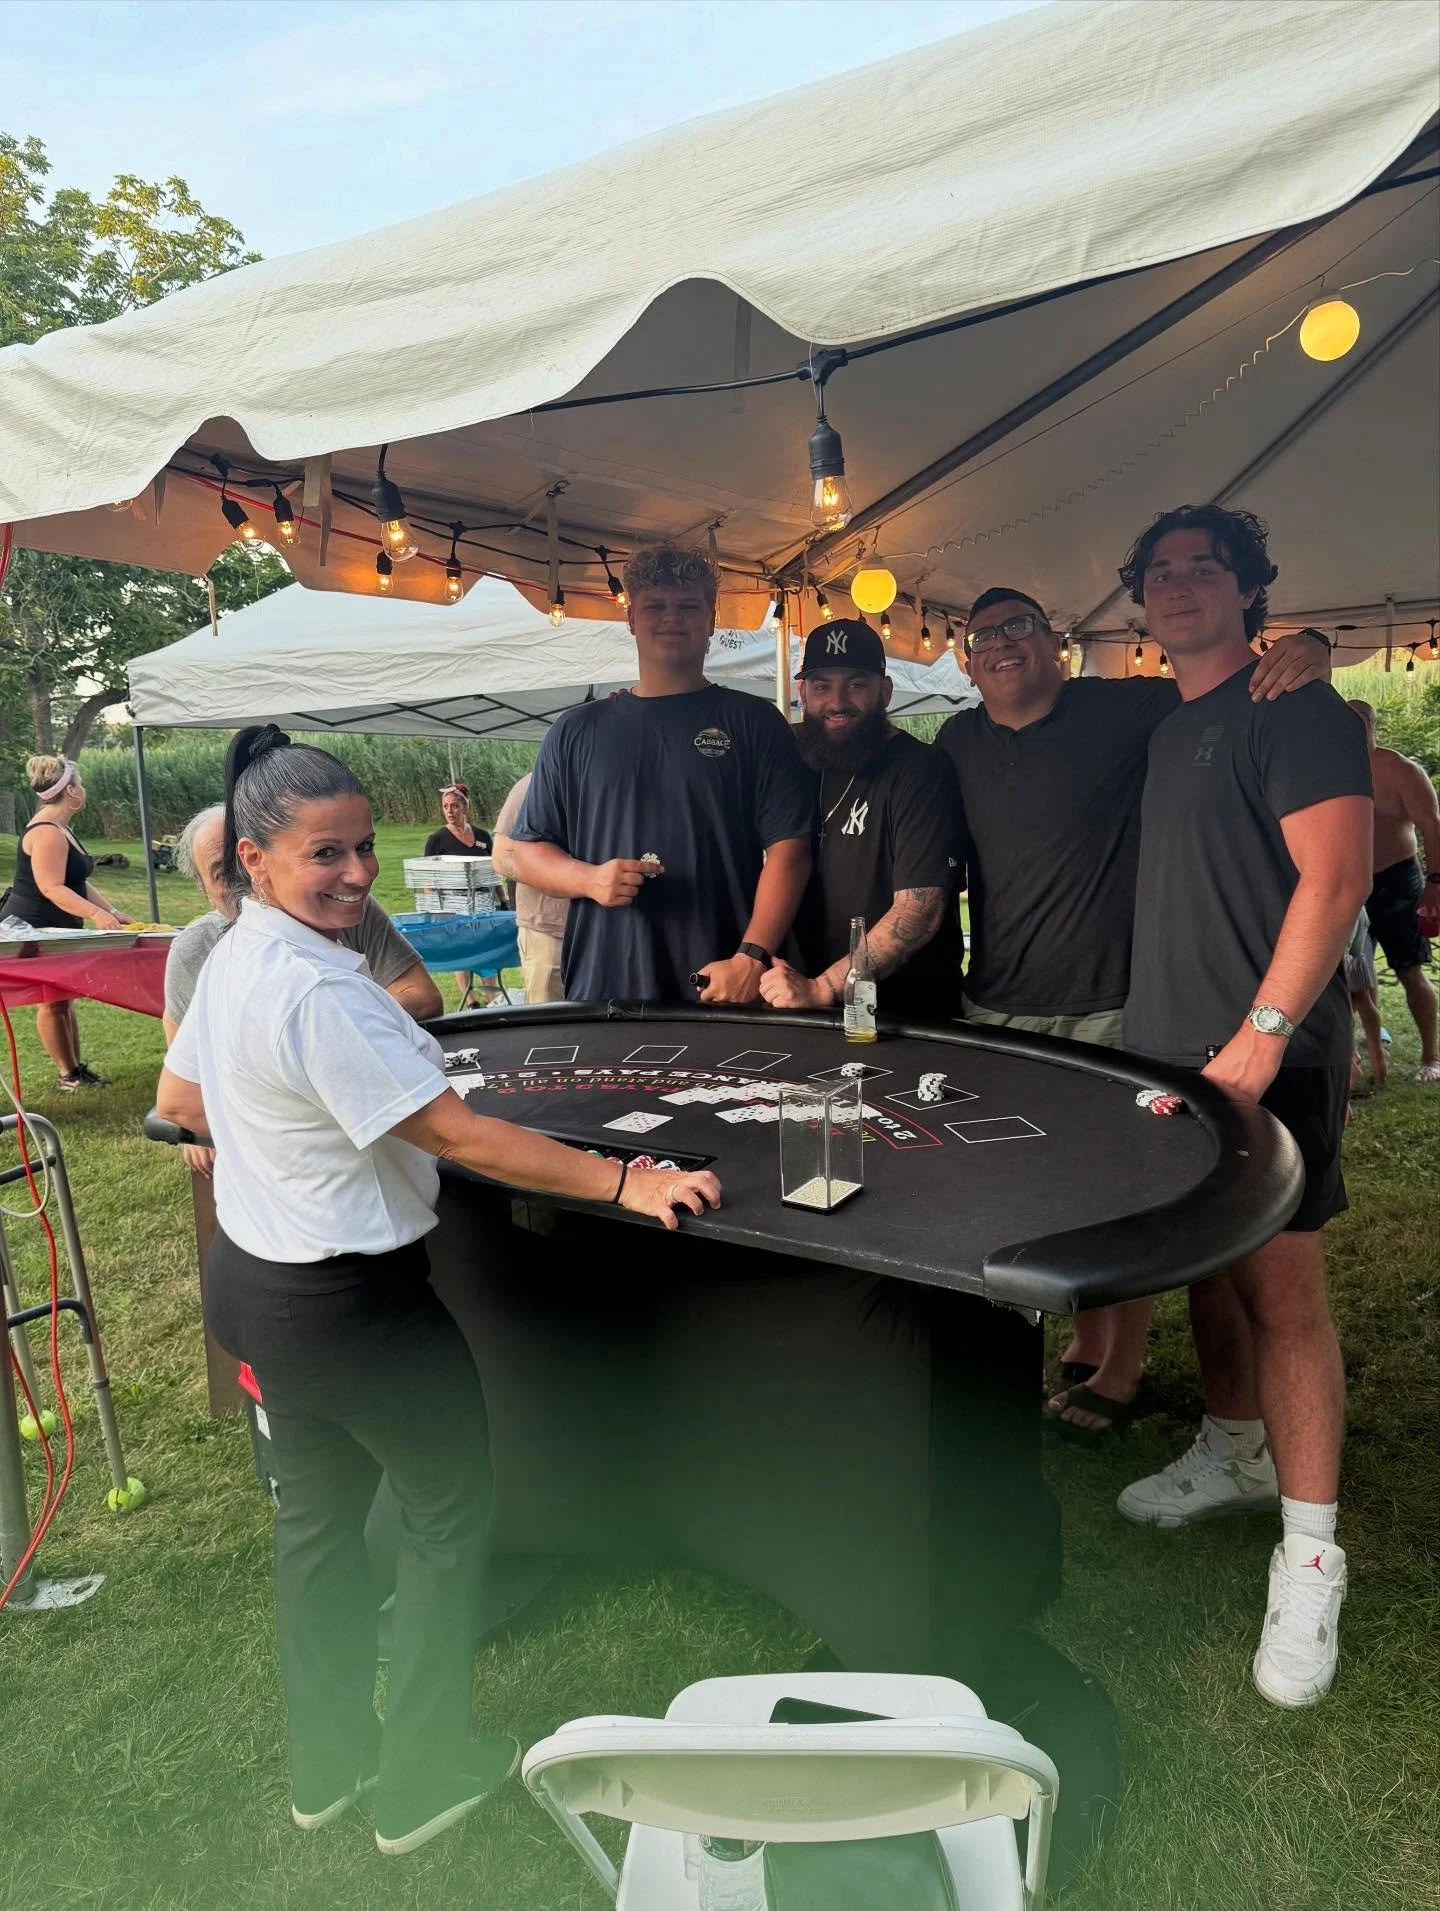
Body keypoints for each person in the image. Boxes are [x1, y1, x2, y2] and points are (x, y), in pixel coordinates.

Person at [157, 726, 719, 1855]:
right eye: (325, 855)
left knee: (314, 1533)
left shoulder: (232, 960)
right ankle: (422, 1777)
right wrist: (631, 1175)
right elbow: (467, 1137)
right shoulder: (323, 994)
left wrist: (292, 1130)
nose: (358, 874)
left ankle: (327, 1770)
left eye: (363, 848)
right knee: (446, 1518)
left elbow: (182, 1097)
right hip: (354, 1313)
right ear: (256, 862)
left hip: (257, 1289)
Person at [932, 592, 1330, 1434]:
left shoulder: (1131, 705)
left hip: (1116, 1002)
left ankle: (1121, 1366)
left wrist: (1312, 648)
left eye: (1020, 626)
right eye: (984, 636)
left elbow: (1237, 686)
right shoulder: (955, 741)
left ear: (1059, 644)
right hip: (997, 1000)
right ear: (965, 662)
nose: (1002, 644)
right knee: (1028, 1186)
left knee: (1120, 1192)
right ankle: (1078, 1337)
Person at [1115, 505, 1372, 1709]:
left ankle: (1312, 1557)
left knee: (1285, 1295)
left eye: (1201, 568)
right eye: (1159, 575)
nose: (1178, 587)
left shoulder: (1298, 710)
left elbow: (1338, 875)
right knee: (1208, 1271)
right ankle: (1231, 1449)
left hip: (1269, 1057)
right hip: (1173, 1056)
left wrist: (1263, 1040)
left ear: (1248, 589)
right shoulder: (1172, 727)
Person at [509, 542, 814, 1004]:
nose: (672, 618)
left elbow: (791, 850)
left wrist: (751, 957)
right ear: (631, 618)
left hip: (721, 981)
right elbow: (525, 853)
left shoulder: (754, 722)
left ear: (711, 620)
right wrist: (589, 879)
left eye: (688, 606)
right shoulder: (575, 731)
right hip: (604, 983)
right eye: (655, 606)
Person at [163, 803, 443, 1175]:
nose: (246, 880)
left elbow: (423, 996)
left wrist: (334, 1034)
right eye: (223, 873)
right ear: (203, 890)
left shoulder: (341, 907)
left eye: (247, 864)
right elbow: (185, 1086)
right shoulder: (197, 951)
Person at [758, 619, 964, 1019]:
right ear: (802, 693)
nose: (837, 702)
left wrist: (824, 988)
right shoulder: (790, 759)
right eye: (821, 686)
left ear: (884, 692)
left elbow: (919, 913)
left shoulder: (921, 770)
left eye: (856, 684)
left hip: (905, 1017)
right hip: (798, 1006)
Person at [7, 754, 132, 1090]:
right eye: (81, 784)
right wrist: (95, 915)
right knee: (53, 999)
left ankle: (74, 1070)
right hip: (33, 927)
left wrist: (112, 910)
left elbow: (77, 881)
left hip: (53, 926)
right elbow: (52, 887)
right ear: (71, 792)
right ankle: (68, 1075)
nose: (84, 789)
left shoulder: (60, 828)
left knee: (62, 998)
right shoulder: (48, 832)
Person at [1347, 699, 1440, 1083]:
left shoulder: (1400, 770)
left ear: (1372, 724)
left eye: (1362, 722)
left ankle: (1431, 1056)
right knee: (1355, 973)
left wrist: (1435, 883)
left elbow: (1433, 827)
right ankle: (1369, 1044)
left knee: (1409, 969)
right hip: (1350, 883)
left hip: (1398, 880)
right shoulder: (1326, 768)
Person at [491, 770, 567, 1004]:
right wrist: (576, 880)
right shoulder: (531, 787)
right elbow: (502, 855)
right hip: (548, 932)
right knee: (552, 1029)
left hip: (608, 932)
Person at [423, 782, 494, 1009]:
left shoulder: (483, 836)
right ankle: (471, 1000)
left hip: (482, 902)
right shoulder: (437, 840)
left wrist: (502, 900)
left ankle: (492, 996)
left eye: (454, 806)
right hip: (452, 904)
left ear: (465, 808)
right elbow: (428, 878)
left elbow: (492, 871)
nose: (450, 811)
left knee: (485, 946)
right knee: (460, 949)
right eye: (445, 807)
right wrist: (434, 906)